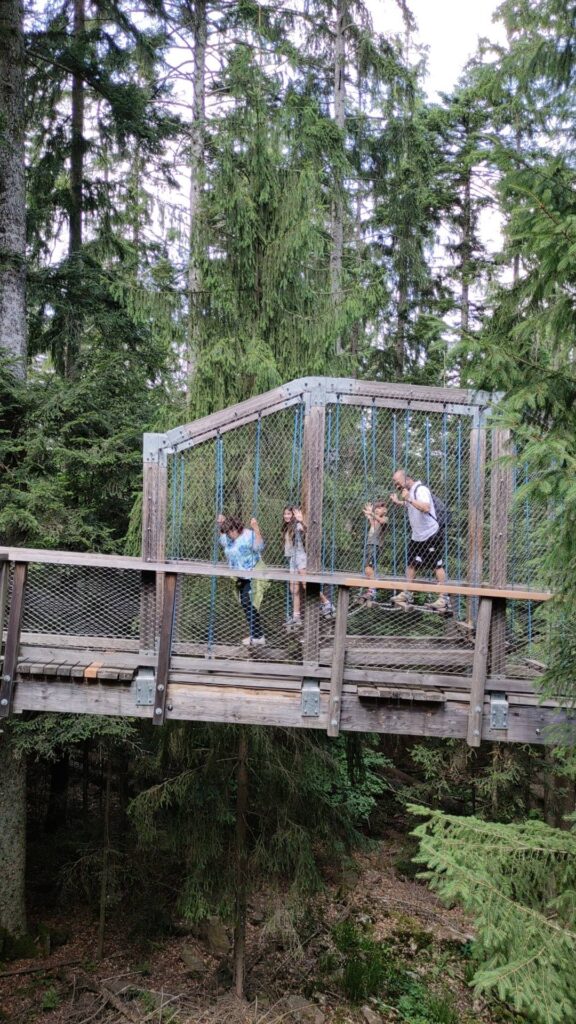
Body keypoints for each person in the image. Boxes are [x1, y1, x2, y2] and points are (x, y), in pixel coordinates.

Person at [389, 469, 451, 612]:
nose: (396, 486)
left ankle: (444, 598)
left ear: (406, 479)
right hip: (417, 536)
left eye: (397, 482)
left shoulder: (421, 489)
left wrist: (408, 499)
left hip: (430, 534)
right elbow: (410, 505)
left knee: (437, 565)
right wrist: (399, 502)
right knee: (411, 564)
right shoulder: (409, 492)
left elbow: (425, 507)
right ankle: (407, 593)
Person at [217, 514, 266, 646]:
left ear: (237, 528)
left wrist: (256, 529)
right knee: (245, 604)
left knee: (248, 602)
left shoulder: (248, 535)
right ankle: (257, 635)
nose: (230, 534)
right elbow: (222, 540)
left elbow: (259, 547)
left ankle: (257, 637)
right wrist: (221, 525)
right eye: (227, 532)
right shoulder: (228, 537)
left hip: (253, 574)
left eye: (231, 531)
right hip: (239, 576)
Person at [281, 506, 335, 625]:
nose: (286, 516)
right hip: (292, 560)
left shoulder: (297, 525)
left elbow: (309, 532)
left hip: (300, 558)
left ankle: (327, 604)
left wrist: (301, 521)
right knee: (293, 589)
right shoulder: (286, 527)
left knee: (307, 585)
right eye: (285, 514)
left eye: (289, 514)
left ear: (294, 515)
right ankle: (296, 616)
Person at [361, 500, 388, 601]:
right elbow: (373, 525)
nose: (377, 509)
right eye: (376, 508)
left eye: (380, 508)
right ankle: (371, 589)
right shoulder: (375, 521)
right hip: (370, 546)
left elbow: (382, 522)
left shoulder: (385, 518)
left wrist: (372, 514)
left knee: (368, 568)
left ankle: (372, 590)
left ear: (385, 511)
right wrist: (369, 516)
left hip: (375, 546)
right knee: (368, 568)